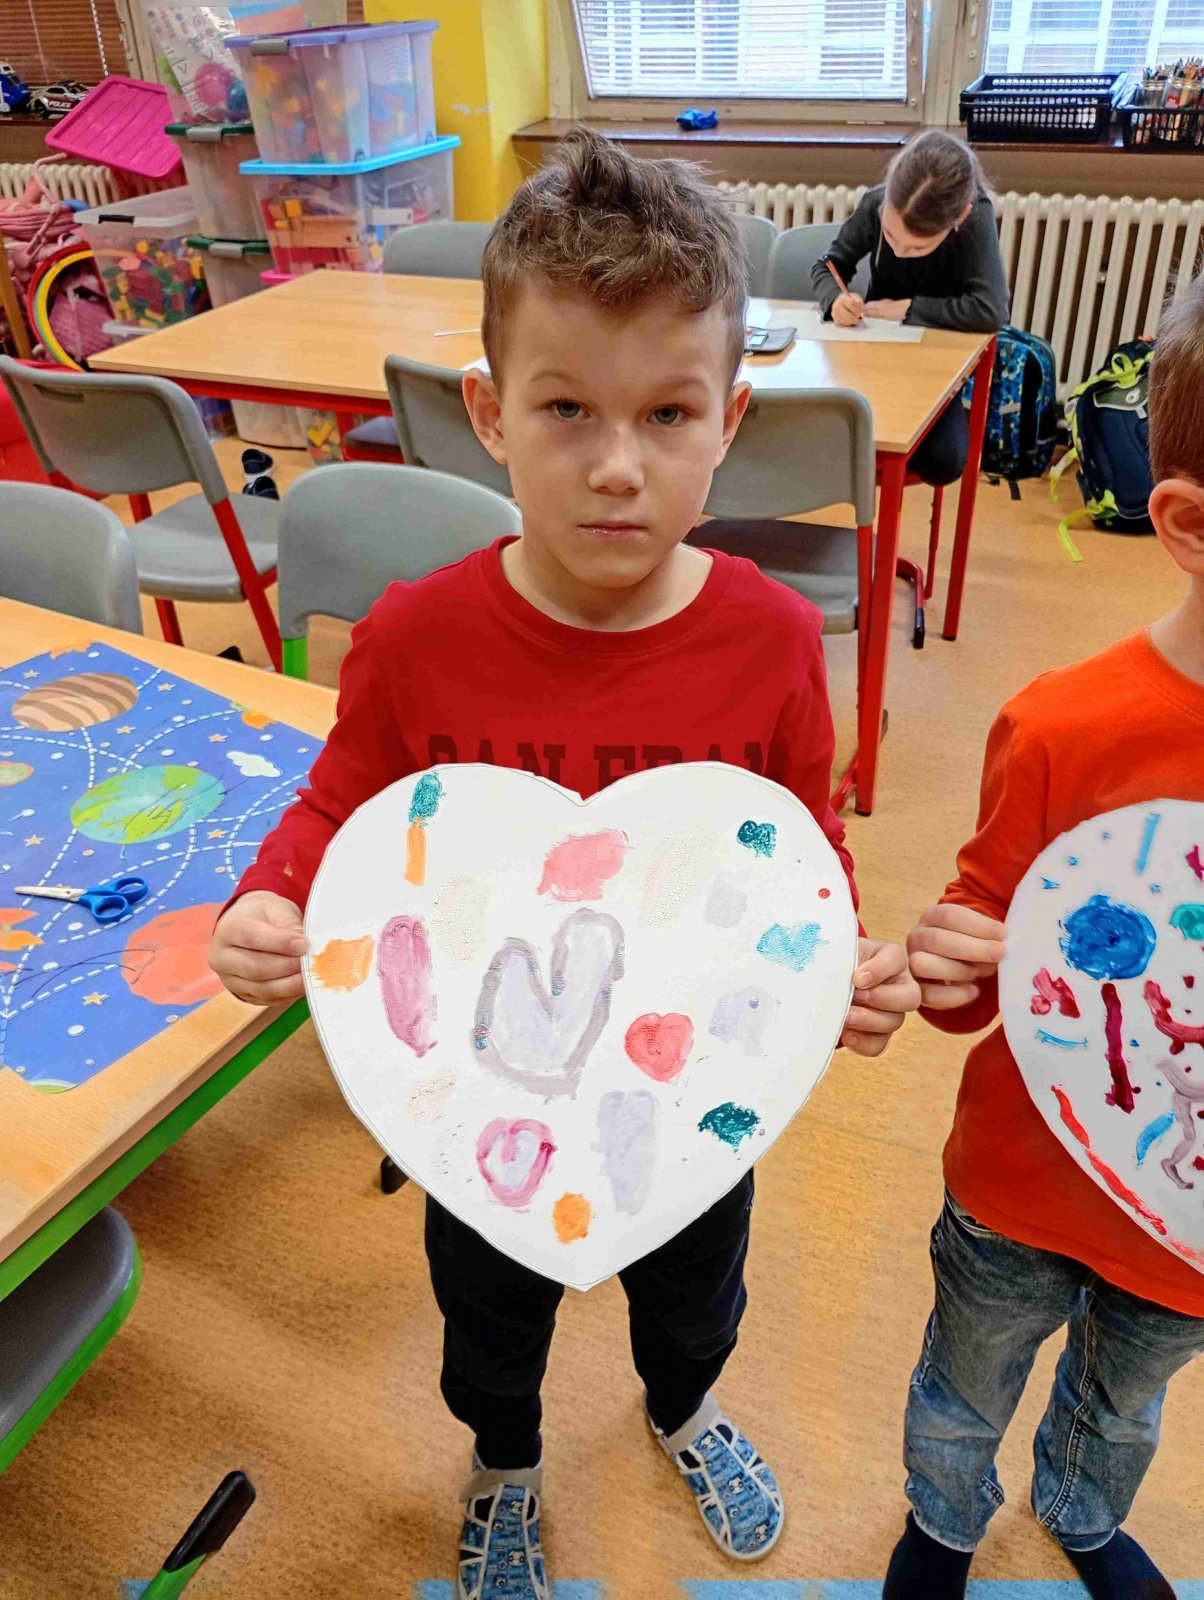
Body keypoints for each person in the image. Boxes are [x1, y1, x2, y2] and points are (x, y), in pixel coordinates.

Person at [208, 128, 920, 1599]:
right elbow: (343, 805)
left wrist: (836, 959)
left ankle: (684, 1406)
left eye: (667, 414)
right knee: (489, 1312)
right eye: (565, 408)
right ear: (489, 411)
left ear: (729, 418)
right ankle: (505, 1460)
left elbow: (801, 840)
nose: (615, 467)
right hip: (483, 1093)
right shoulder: (414, 639)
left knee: (695, 1290)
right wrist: (271, 896)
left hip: (690, 1077)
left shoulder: (773, 641)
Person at [886, 275, 1204, 1600]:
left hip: (1189, 1230)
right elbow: (982, 959)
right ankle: (942, 1520)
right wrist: (955, 958)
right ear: (1188, 523)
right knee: (965, 1382)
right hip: (1023, 1178)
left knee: (1126, 1403)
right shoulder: (1065, 729)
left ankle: (1077, 1506)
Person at [811, 128, 1009, 488]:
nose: (901, 252)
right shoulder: (876, 202)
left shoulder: (976, 216)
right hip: (873, 354)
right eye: (890, 236)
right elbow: (829, 265)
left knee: (943, 462)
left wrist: (909, 309)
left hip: (935, 363)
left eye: (918, 248)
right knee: (826, 438)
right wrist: (836, 300)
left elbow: (991, 310)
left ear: (959, 218)